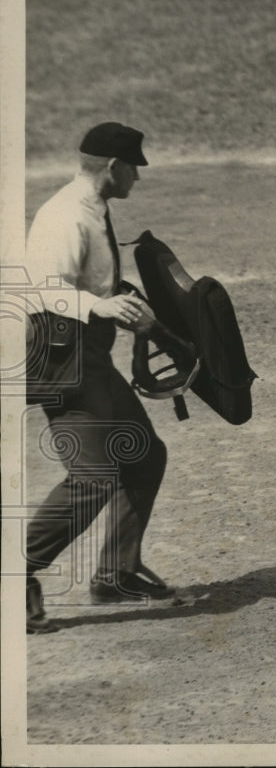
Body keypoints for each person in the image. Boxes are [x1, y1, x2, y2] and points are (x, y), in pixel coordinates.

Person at [24, 122, 174, 634]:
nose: (137, 176)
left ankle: (115, 573)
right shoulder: (64, 215)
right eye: (134, 167)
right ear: (113, 168)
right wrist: (105, 305)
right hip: (59, 357)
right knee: (93, 477)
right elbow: (42, 290)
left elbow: (90, 280)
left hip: (88, 354)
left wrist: (118, 297)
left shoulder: (93, 207)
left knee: (145, 454)